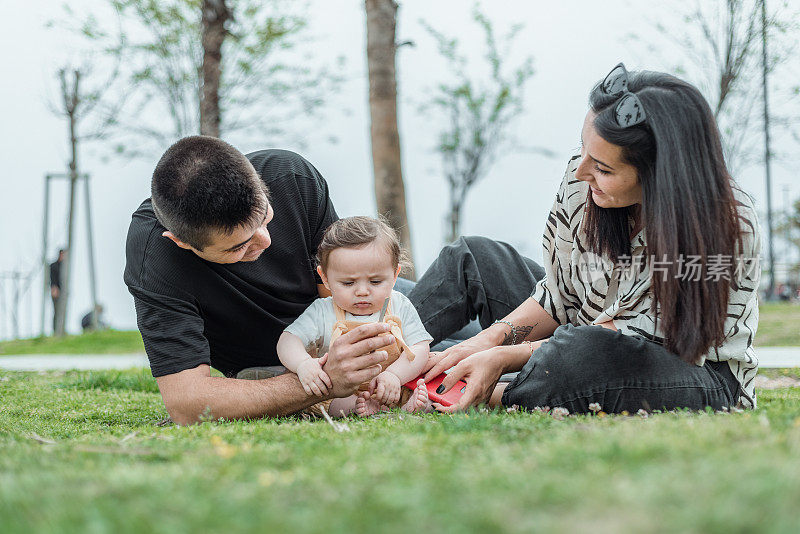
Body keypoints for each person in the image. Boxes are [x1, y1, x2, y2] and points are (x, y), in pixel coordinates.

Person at [408, 63, 761, 414]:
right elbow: (558, 294)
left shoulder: (727, 228)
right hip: (579, 332)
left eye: (604, 169)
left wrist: (502, 356)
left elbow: (622, 339)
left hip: (684, 370)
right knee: (473, 258)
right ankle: (390, 360)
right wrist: (488, 340)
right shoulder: (583, 180)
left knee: (581, 355)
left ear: (660, 176)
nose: (581, 171)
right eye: (584, 149)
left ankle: (476, 387)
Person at [124, 136, 397, 425]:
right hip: (272, 366)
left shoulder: (291, 176)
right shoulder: (153, 257)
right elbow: (187, 403)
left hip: (365, 298)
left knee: (432, 335)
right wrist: (324, 380)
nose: (264, 242)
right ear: (182, 243)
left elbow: (340, 308)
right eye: (237, 247)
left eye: (265, 219)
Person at [278, 216, 431, 417]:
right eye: (348, 283)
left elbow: (420, 346)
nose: (362, 291)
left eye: (375, 282)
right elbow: (288, 340)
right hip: (343, 390)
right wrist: (304, 364)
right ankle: (358, 409)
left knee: (419, 382)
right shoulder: (323, 311)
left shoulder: (399, 304)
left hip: (393, 382)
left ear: (395, 275)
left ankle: (407, 404)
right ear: (325, 278)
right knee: (326, 399)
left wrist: (395, 375)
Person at [49, 249, 65, 333]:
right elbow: (52, 279)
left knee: (62, 311)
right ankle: (55, 330)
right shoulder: (54, 265)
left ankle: (62, 329)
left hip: (63, 292)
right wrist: (54, 288)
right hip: (56, 291)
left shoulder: (65, 266)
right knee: (56, 311)